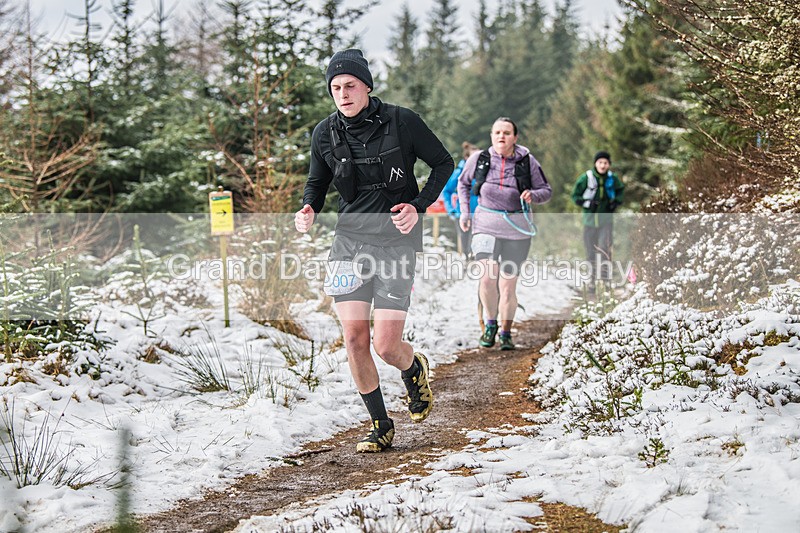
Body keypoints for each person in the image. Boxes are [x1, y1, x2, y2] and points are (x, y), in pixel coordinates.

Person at [294, 49, 453, 453]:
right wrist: (309, 206)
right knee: (353, 338)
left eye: (349, 85)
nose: (342, 94)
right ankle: (380, 424)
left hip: (396, 242)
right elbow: (317, 182)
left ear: (366, 86)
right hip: (348, 242)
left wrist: (418, 206)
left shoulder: (402, 121)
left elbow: (443, 163)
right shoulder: (324, 133)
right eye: (335, 88)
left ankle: (412, 367)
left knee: (386, 346)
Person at [457, 117, 552, 351]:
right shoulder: (479, 159)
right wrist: (465, 212)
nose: (501, 136)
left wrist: (533, 195)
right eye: (497, 132)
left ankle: (506, 332)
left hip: (517, 230)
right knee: (488, 277)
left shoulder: (527, 161)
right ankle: (491, 324)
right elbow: (463, 184)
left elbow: (546, 191)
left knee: (508, 286)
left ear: (515, 137)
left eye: (507, 133)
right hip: (485, 226)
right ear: (492, 136)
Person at [571, 151, 625, 289]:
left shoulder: (612, 179)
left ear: (609, 164)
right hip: (589, 221)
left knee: (605, 249)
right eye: (600, 162)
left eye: (605, 163)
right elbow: (575, 196)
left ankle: (606, 280)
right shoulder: (586, 178)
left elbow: (620, 191)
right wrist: (587, 203)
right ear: (595, 163)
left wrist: (616, 202)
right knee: (590, 252)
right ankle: (592, 280)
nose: (602, 165)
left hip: (606, 221)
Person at [441, 142, 481, 258]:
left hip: (480, 214)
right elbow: (446, 191)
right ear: (467, 157)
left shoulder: (482, 172)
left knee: (477, 243)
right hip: (462, 213)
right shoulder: (459, 173)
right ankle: (467, 261)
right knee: (466, 245)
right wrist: (451, 209)